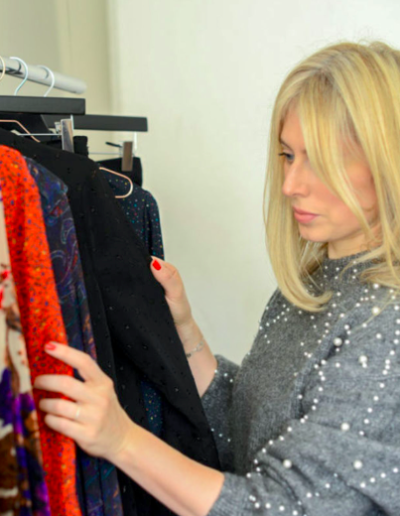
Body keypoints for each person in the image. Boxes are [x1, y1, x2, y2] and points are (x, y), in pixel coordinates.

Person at [34, 39, 400, 516]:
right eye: (289, 156)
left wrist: (122, 440)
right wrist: (185, 330)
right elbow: (245, 434)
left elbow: (279, 507)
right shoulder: (313, 285)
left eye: (321, 161)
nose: (290, 185)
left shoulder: (385, 325)